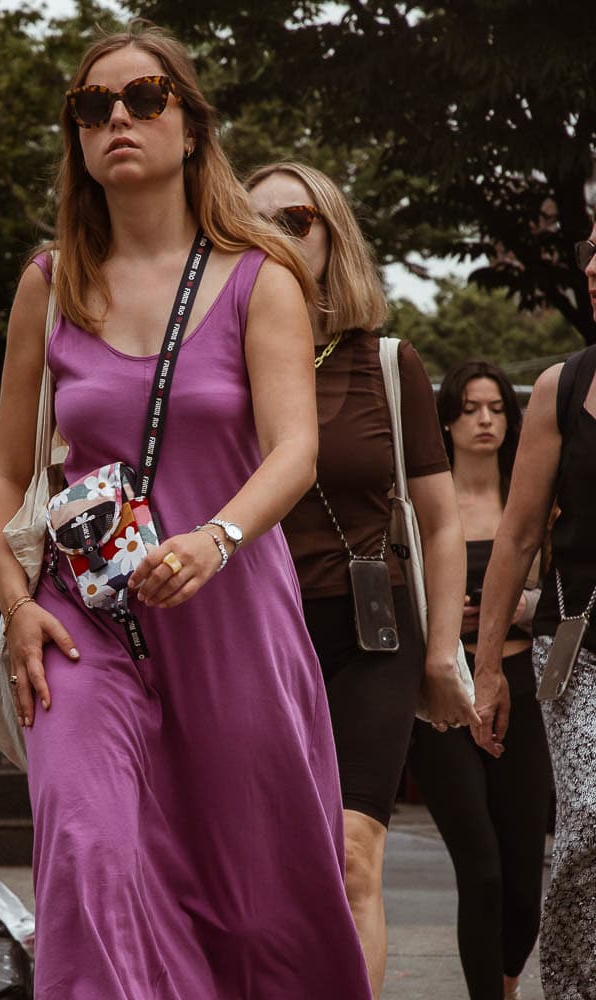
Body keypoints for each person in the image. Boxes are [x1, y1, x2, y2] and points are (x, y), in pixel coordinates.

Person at [0, 24, 372, 1000]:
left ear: (190, 125)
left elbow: (294, 450)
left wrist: (215, 536)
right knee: (90, 848)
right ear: (74, 134)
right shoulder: (49, 284)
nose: (116, 118)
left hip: (230, 614)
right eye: (92, 105)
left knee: (254, 901)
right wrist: (17, 603)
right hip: (85, 623)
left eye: (143, 98)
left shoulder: (258, 274)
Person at [246, 161, 477, 998]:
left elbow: (444, 521)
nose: (277, 233)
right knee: (268, 861)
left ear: (331, 237)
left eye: (297, 219)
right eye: (255, 219)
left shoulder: (386, 361)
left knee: (351, 854)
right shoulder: (219, 365)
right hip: (255, 631)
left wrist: (442, 652)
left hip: (370, 629)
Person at [473, 226, 596, 996]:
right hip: (577, 648)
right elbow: (517, 533)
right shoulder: (563, 385)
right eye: (590, 250)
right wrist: (485, 667)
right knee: (586, 817)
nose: (591, 267)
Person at [407, 360, 551, 1000]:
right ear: (446, 419)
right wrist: (444, 612)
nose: (486, 419)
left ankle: (507, 982)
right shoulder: (422, 510)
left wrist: (514, 604)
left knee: (524, 876)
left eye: (496, 407)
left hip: (522, 684)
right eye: (471, 408)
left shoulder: (536, 501)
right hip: (447, 691)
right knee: (484, 871)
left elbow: (566, 589)